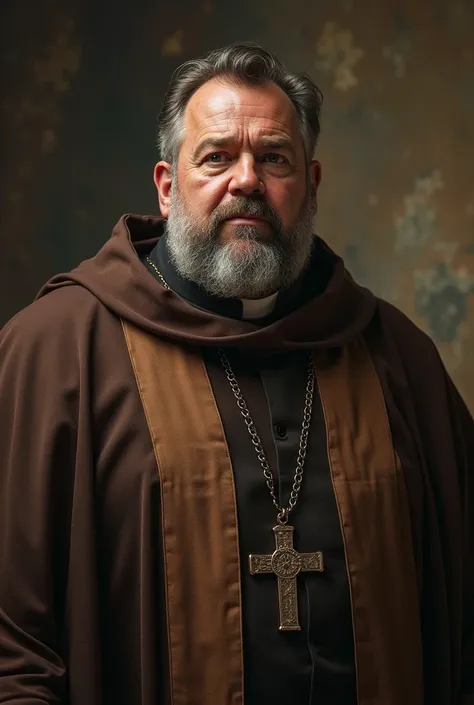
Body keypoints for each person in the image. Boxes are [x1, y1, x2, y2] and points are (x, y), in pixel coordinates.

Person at [0, 43, 472, 705]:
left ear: (311, 183)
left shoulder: (396, 356)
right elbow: (12, 643)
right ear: (167, 187)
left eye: (273, 157)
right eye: (217, 155)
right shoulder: (56, 351)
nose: (246, 179)